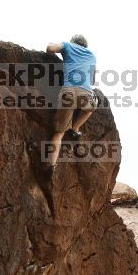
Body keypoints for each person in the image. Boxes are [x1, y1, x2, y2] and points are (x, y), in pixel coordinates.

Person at [44, 34, 97, 177]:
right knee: (91, 107)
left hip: (68, 92)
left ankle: (51, 166)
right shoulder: (92, 55)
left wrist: (51, 42)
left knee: (58, 133)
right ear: (85, 45)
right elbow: (92, 80)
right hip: (86, 92)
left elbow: (50, 48)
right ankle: (75, 128)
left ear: (74, 42)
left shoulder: (67, 45)